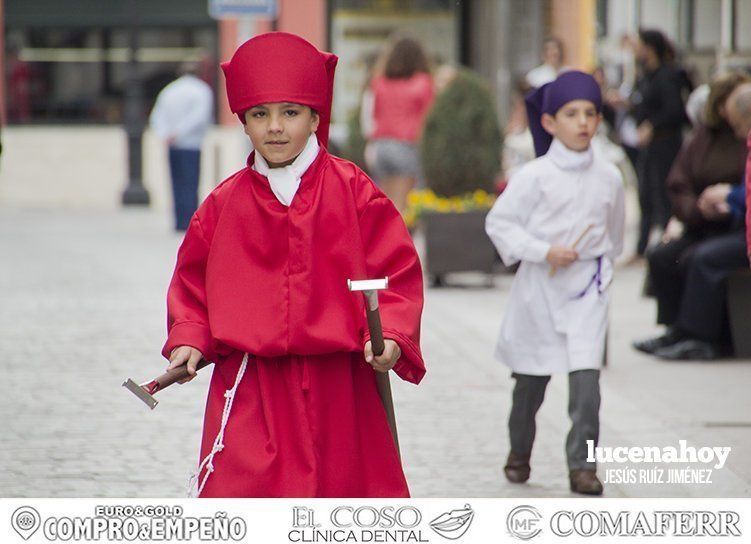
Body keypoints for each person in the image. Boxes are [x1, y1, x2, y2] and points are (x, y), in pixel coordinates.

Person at [161, 32, 426, 498]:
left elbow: (396, 273)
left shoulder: (355, 191)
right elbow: (192, 285)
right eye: (260, 114)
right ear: (244, 122)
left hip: (340, 387)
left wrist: (391, 337)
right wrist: (189, 337)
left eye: (290, 113)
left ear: (315, 117)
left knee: (342, 502)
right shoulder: (223, 205)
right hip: (250, 386)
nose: (275, 128)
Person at [485, 71, 625, 496]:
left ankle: (582, 466)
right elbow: (500, 222)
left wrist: (597, 266)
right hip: (540, 291)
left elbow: (614, 235)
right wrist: (543, 250)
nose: (582, 122)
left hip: (586, 290)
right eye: (571, 114)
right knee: (530, 383)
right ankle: (519, 451)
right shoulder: (534, 176)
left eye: (590, 113)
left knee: (587, 384)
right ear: (549, 122)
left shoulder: (610, 177)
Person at [633, 74, 750, 359]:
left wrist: (729, 198)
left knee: (701, 258)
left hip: (735, 225)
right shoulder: (703, 137)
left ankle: (699, 335)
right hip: (704, 221)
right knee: (663, 255)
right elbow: (679, 181)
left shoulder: (744, 141)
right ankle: (678, 330)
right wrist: (695, 209)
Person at [631, 29, 689, 256]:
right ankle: (641, 248)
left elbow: (675, 110)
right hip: (650, 148)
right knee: (645, 195)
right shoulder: (646, 75)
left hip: (665, 145)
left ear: (650, 48)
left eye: (639, 45)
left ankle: (668, 247)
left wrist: (652, 125)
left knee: (663, 195)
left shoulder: (666, 76)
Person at [364, 35, 434, 215]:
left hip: (380, 147)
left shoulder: (379, 83)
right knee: (406, 206)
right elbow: (428, 120)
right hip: (406, 146)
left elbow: (373, 115)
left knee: (388, 204)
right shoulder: (423, 83)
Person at [149, 61, 214, 231]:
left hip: (173, 144)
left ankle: (179, 221)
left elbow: (157, 116)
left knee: (176, 183)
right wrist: (180, 132)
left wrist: (167, 134)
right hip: (191, 144)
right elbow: (200, 117)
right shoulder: (201, 90)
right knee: (190, 184)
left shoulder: (170, 90)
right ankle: (189, 222)